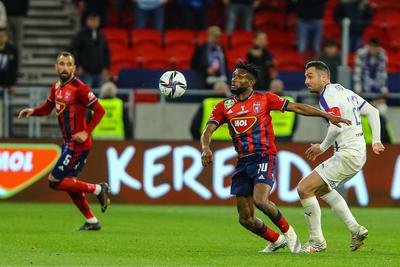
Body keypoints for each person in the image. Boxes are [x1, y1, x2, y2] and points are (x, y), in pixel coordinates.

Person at [201, 61, 351, 253]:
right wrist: (206, 148)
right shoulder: (224, 106)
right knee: (245, 218)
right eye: (233, 76)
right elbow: (208, 130)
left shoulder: (265, 99)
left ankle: (290, 234)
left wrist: (327, 115)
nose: (234, 79)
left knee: (261, 200)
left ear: (250, 82)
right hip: (243, 162)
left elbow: (298, 107)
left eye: (239, 76)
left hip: (264, 156)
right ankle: (276, 240)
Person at [297, 61, 385, 252]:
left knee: (304, 188)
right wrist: (376, 140)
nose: (306, 81)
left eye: (310, 76)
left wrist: (322, 147)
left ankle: (316, 242)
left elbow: (338, 126)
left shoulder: (328, 95)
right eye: (306, 76)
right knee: (320, 189)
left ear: (324, 77)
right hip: (357, 153)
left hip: (347, 154)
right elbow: (373, 111)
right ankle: (356, 229)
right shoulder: (343, 90)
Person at [17, 51, 111, 231]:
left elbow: (100, 111)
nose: (65, 67)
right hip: (69, 143)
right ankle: (92, 221)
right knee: (70, 185)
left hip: (78, 144)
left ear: (74, 68)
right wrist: (33, 111)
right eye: (62, 64)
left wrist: (86, 132)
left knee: (54, 181)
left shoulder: (80, 88)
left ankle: (99, 189)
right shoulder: (57, 87)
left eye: (69, 64)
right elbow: (47, 109)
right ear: (55, 67)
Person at [353, 37, 394, 144]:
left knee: (382, 112)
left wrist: (384, 89)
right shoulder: (361, 54)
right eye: (371, 47)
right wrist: (358, 87)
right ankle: (365, 141)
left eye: (375, 48)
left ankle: (385, 140)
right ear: (368, 46)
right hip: (363, 93)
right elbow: (358, 72)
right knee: (362, 116)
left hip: (376, 92)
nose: (373, 50)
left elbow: (382, 74)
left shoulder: (382, 55)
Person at [69, 12, 110, 89]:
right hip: (85, 72)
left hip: (99, 72)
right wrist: (77, 66)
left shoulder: (101, 35)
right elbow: (71, 50)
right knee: (85, 96)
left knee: (98, 97)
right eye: (92, 20)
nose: (94, 22)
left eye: (96, 20)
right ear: (87, 21)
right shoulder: (81, 34)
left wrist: (106, 67)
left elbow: (106, 52)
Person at [0, 27, 18, 94]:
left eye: (3, 36)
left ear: (6, 37)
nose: (1, 38)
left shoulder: (12, 49)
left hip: (7, 81)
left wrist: (13, 83)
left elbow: (14, 67)